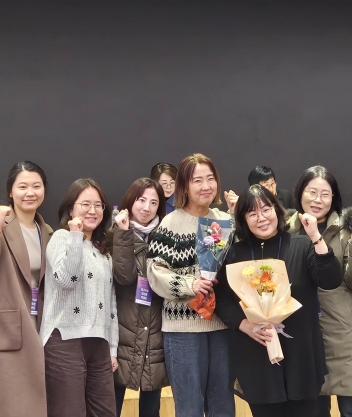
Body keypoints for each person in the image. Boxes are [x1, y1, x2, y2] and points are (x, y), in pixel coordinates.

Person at [214, 185, 342, 417]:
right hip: (257, 357)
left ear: (276, 209)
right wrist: (245, 325)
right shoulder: (234, 253)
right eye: (252, 213)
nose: (261, 218)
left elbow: (331, 280)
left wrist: (316, 236)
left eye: (266, 209)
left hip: (301, 355)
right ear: (243, 219)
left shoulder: (302, 245)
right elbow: (221, 299)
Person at [147, 153, 238, 417]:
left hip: (221, 325)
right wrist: (190, 285)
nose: (206, 186)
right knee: (189, 407)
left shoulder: (225, 221)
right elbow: (155, 272)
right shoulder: (171, 223)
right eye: (197, 180)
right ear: (184, 186)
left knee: (223, 405)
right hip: (182, 329)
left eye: (210, 179)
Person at [0, 161, 54, 417]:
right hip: (3, 328)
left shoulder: (46, 231)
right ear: (11, 191)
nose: (30, 192)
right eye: (22, 186)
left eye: (36, 186)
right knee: (3, 404)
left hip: (36, 323)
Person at [287, 167, 352, 417]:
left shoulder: (348, 230)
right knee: (314, 409)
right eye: (312, 192)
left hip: (344, 332)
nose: (318, 200)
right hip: (304, 332)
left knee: (351, 409)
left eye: (325, 194)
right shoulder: (286, 230)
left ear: (334, 197)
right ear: (300, 193)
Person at [41, 179, 119, 417]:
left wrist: (112, 346)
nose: (92, 210)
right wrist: (75, 237)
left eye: (98, 205)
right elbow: (67, 280)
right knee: (69, 412)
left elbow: (110, 300)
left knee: (105, 412)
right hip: (64, 339)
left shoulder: (102, 248)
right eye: (85, 204)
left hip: (99, 341)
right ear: (71, 209)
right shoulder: (60, 239)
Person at [111, 178, 168, 417]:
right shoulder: (115, 233)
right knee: (112, 403)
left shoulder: (165, 236)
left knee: (151, 405)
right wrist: (123, 233)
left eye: (154, 203)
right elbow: (124, 277)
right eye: (141, 200)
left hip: (155, 331)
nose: (147, 207)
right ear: (130, 201)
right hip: (123, 330)